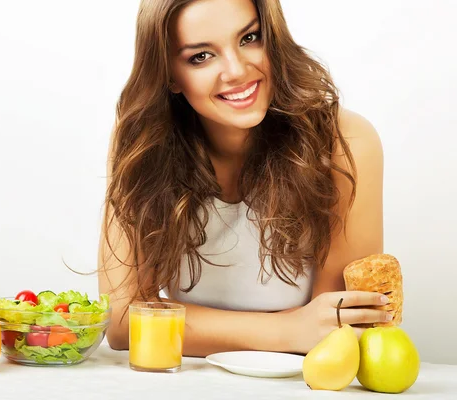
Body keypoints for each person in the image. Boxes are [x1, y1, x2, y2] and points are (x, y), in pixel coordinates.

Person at [97, 0, 388, 357]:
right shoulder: (143, 143)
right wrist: (284, 329)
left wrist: (177, 324)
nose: (236, 71)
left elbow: (335, 329)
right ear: (169, 74)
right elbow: (122, 321)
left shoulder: (346, 141)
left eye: (250, 37)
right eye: (200, 56)